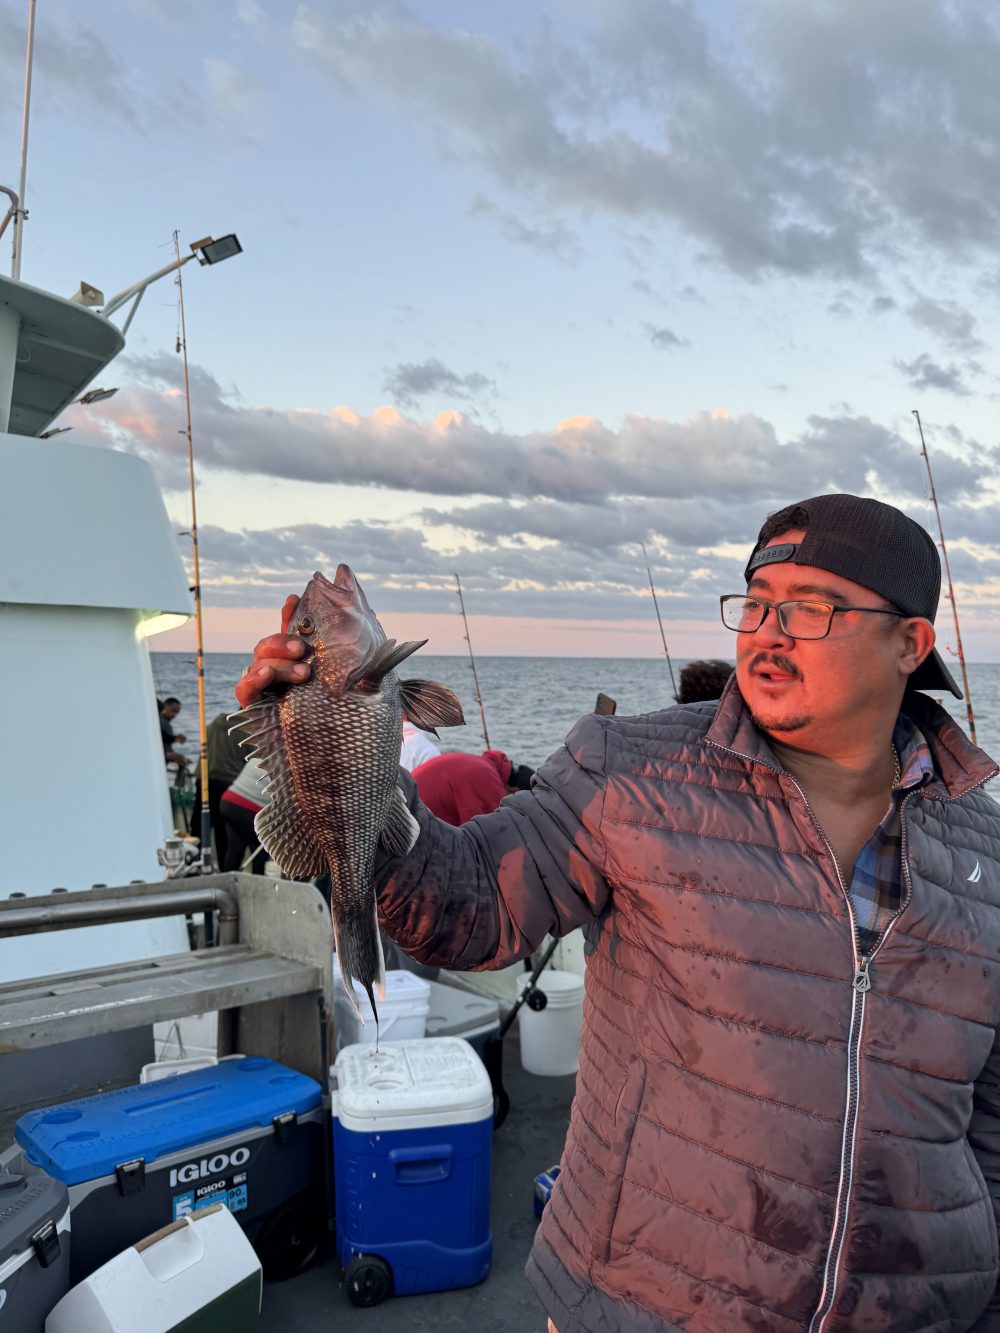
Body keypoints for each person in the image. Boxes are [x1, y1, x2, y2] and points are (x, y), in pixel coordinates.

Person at [235, 494, 1000, 1333]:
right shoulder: (628, 768)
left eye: (812, 608)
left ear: (910, 643)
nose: (769, 630)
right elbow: (469, 903)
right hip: (640, 1303)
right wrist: (328, 759)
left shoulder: (988, 854)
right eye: (755, 602)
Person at [411, 748, 535, 825]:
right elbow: (487, 836)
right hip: (406, 824)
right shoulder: (487, 781)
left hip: (403, 809)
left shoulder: (482, 764)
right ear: (515, 790)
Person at [219, 755, 268, 874]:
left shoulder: (258, 757)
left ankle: (227, 884)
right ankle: (257, 887)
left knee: (235, 850)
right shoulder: (284, 768)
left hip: (228, 802)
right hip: (247, 809)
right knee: (261, 851)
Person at [159, 696, 188, 770]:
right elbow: (161, 739)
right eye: (173, 711)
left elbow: (166, 743)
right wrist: (175, 738)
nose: (174, 715)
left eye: (177, 713)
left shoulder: (166, 723)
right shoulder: (159, 722)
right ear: (165, 707)